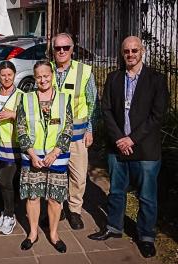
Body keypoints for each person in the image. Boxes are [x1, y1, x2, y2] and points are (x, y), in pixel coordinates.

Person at [88, 36, 168, 258]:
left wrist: (131, 139)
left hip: (145, 150)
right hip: (117, 148)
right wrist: (119, 139)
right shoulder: (114, 78)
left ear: (142, 51)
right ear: (122, 53)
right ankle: (114, 227)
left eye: (134, 50)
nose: (130, 54)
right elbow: (106, 111)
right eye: (126, 51)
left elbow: (157, 115)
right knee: (115, 192)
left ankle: (146, 236)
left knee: (147, 197)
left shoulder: (156, 79)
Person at [17, 60, 72, 252]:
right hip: (33, 158)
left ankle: (54, 234)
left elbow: (68, 128)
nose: (43, 79)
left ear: (52, 76)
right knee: (33, 197)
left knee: (54, 199)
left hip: (56, 157)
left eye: (46, 75)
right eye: (39, 76)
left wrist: (55, 152)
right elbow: (21, 129)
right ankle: (33, 233)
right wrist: (32, 154)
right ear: (35, 78)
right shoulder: (26, 99)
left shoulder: (64, 99)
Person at [50, 33, 98, 230]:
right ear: (52, 50)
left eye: (66, 47)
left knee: (78, 177)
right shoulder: (47, 70)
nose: (61, 51)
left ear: (72, 49)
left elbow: (93, 103)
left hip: (77, 135)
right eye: (57, 48)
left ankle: (75, 210)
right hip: (53, 136)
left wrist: (90, 130)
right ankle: (57, 209)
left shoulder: (84, 71)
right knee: (55, 175)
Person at [0, 61, 24, 235]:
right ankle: (5, 212)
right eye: (3, 75)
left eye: (10, 74)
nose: (6, 78)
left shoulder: (21, 95)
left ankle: (10, 215)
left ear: (14, 75)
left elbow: (28, 119)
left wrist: (12, 114)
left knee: (6, 181)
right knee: (0, 183)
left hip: (12, 146)